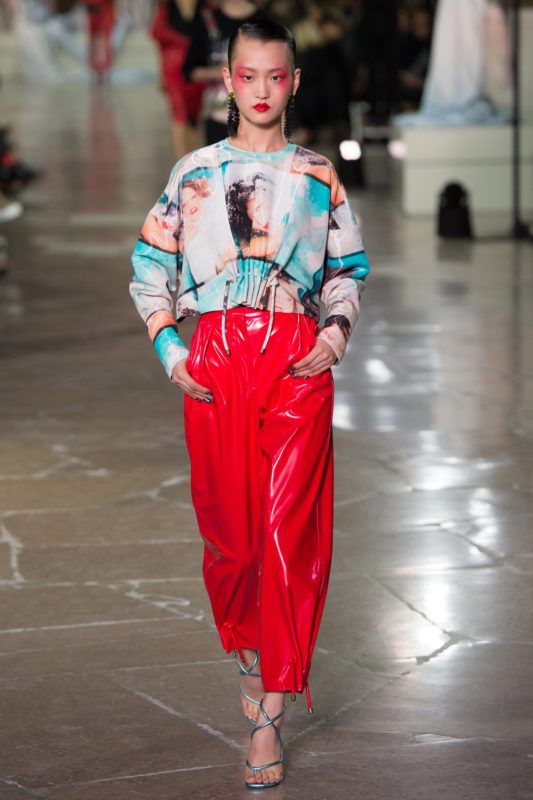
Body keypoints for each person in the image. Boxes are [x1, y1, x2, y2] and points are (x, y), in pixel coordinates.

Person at [129, 19, 370, 790]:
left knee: (287, 532)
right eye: (249, 76)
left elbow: (347, 268)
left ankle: (269, 714)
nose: (263, 90)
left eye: (276, 76)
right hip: (218, 356)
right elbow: (149, 262)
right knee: (230, 537)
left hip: (297, 359)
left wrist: (333, 337)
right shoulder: (193, 172)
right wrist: (170, 347)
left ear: (293, 82)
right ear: (228, 81)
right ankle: (246, 650)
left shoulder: (316, 174)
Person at [182, 0, 267, 145]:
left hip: (258, 114)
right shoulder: (207, 21)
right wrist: (218, 72)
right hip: (218, 115)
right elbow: (188, 71)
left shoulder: (265, 22)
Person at [151, 0, 203, 157]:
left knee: (194, 115)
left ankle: (192, 157)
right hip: (173, 69)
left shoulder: (204, 7)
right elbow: (159, 39)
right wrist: (161, 74)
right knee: (179, 112)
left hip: (196, 68)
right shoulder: (167, 8)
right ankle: (182, 160)